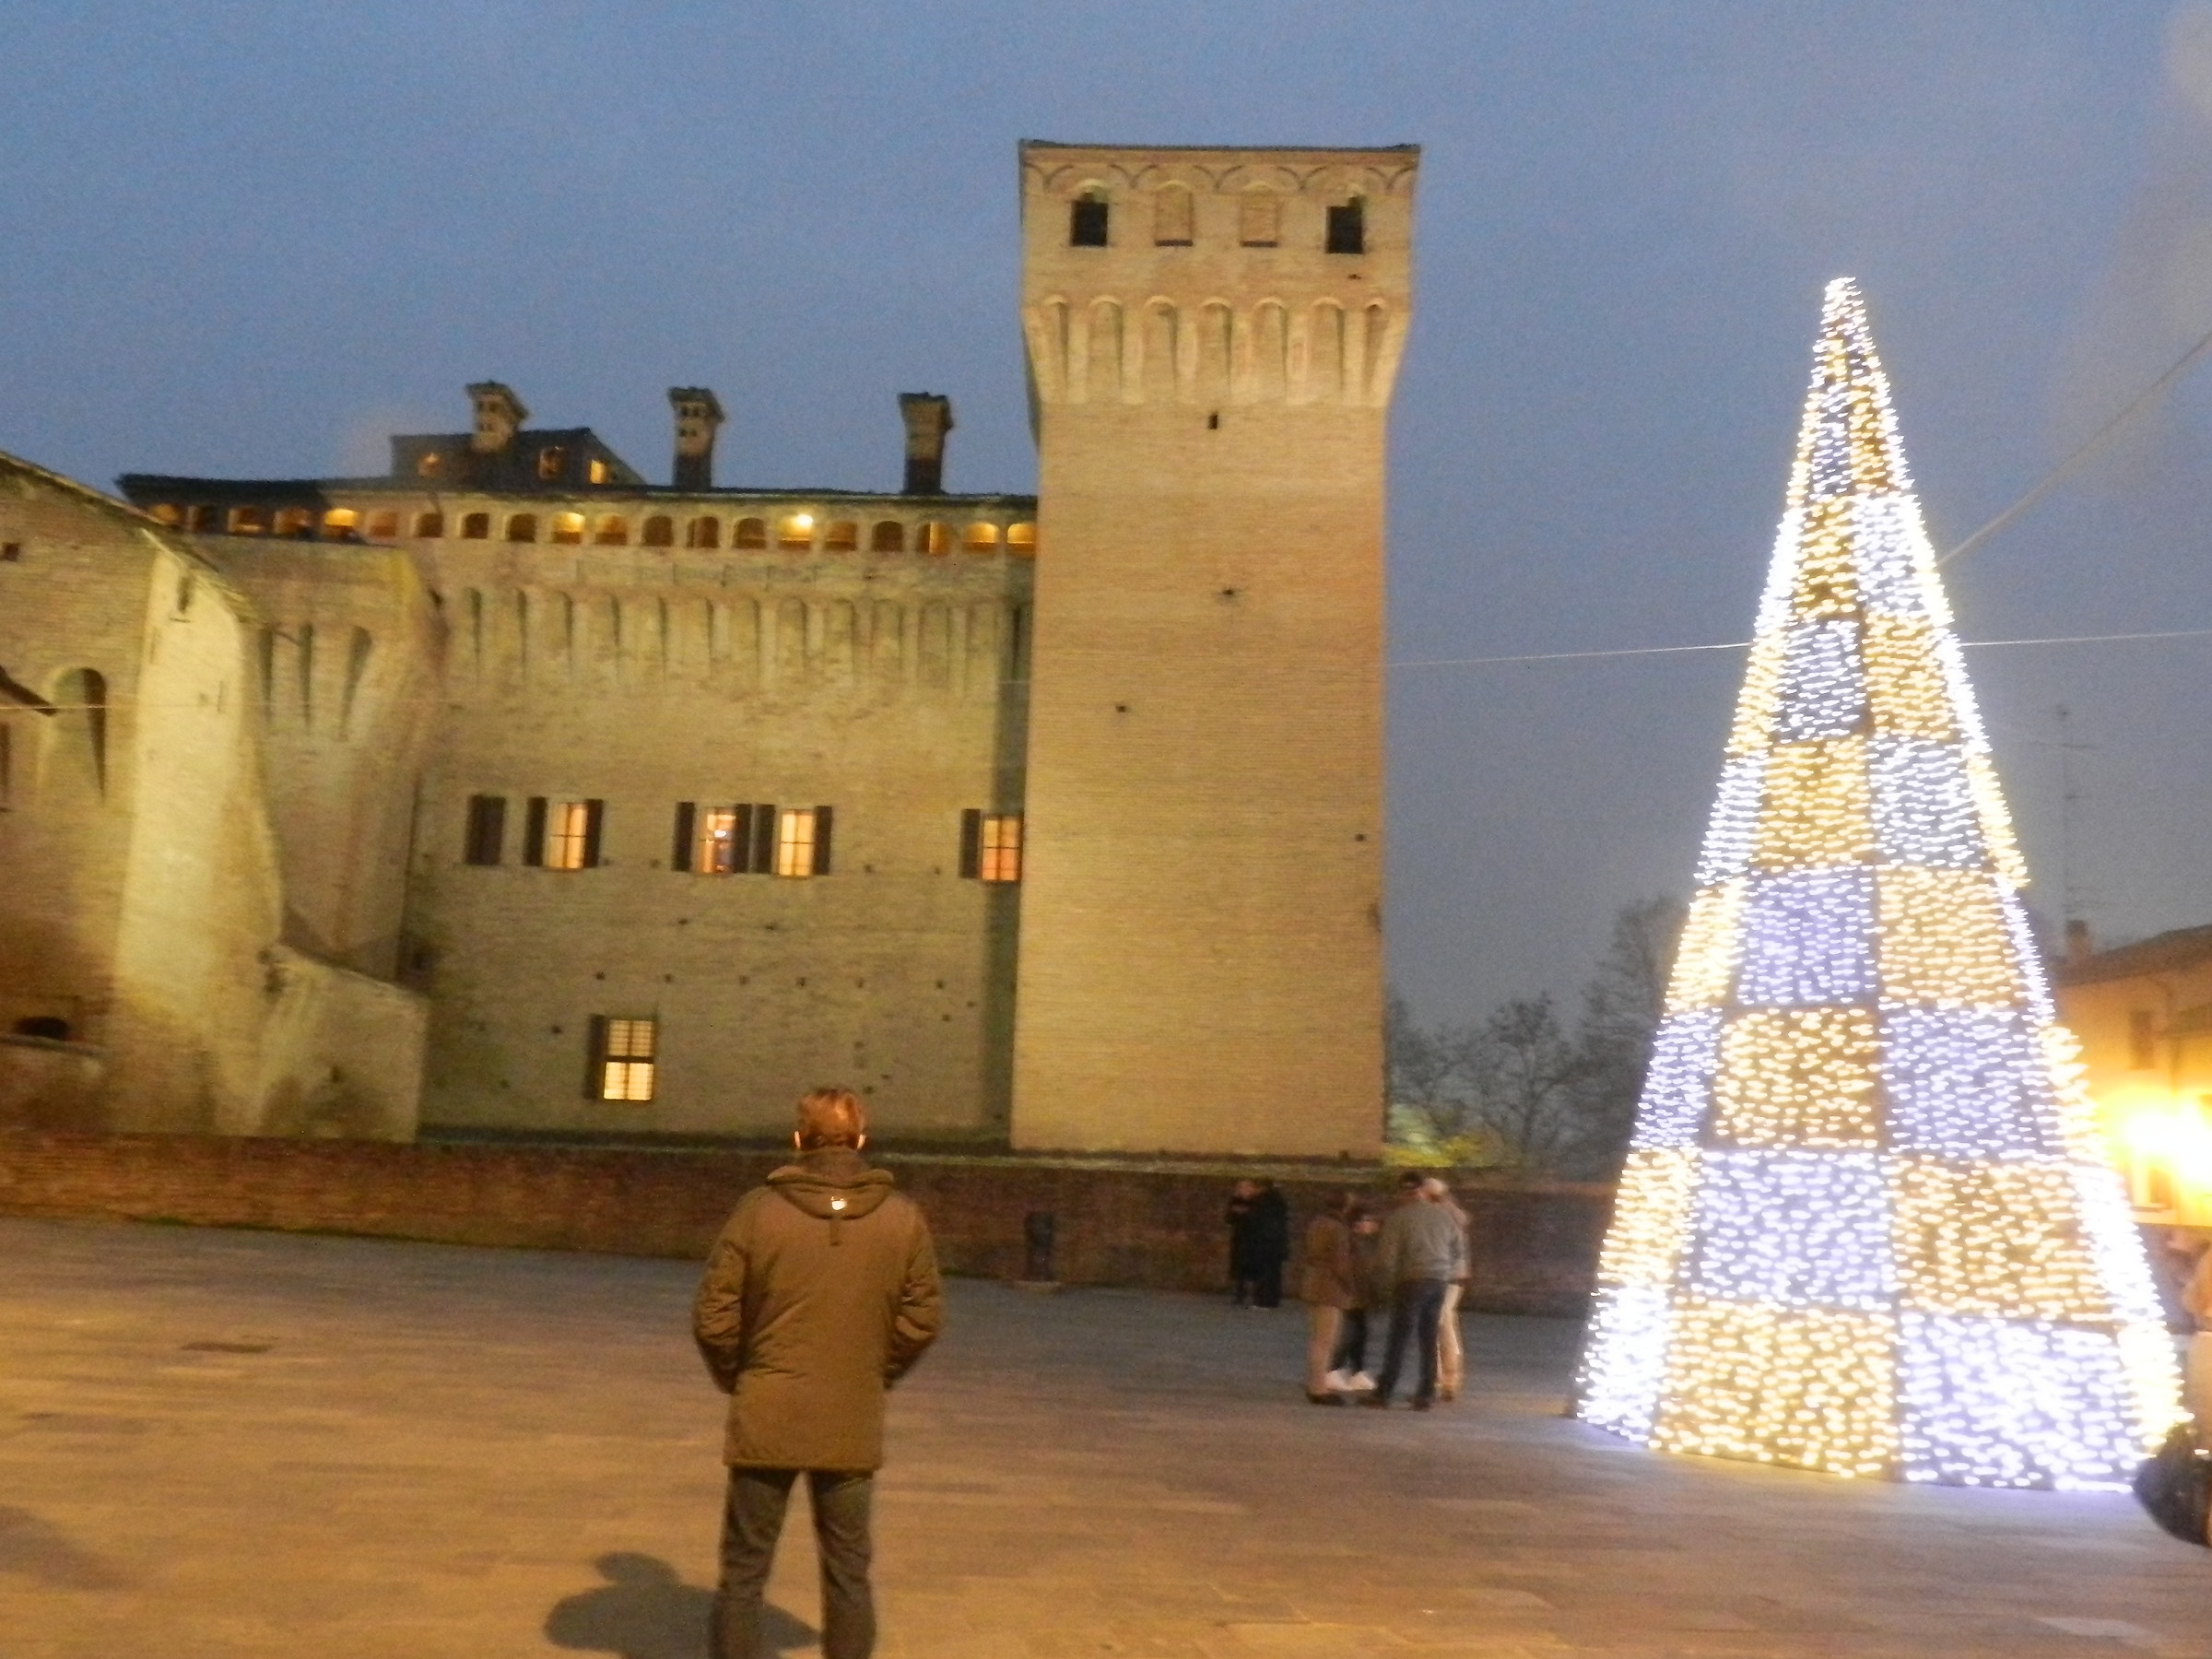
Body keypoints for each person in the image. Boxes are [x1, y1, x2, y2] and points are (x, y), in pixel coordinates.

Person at [692, 1088, 943, 1659]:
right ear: (860, 1140)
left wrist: (745, 1373)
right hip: (850, 1416)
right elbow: (923, 1316)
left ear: (799, 1140)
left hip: (768, 1411)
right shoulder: (902, 1219)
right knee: (848, 1570)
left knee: (744, 1570)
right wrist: (876, 1369)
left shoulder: (758, 1211)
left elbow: (714, 1315)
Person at [1359, 1171, 1466, 1411]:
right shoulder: (1443, 1216)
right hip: (1439, 1281)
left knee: (1399, 1338)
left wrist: (1382, 1288)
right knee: (1428, 1338)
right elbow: (1458, 1250)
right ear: (1420, 1190)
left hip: (1411, 1280)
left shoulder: (1399, 1218)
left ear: (1402, 1192)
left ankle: (1384, 1392)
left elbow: (1386, 1259)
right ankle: (1425, 1393)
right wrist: (1444, 1268)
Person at [1299, 1191, 1361, 1403]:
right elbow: (1341, 1263)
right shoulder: (1337, 1228)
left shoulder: (1317, 1223)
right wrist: (1351, 1287)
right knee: (1326, 1340)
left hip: (1313, 1281)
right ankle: (1318, 1388)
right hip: (1330, 1287)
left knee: (1317, 1339)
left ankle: (1315, 1383)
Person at [1422, 1176, 1474, 1403]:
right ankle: (1442, 1377)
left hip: (1448, 1275)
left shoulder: (1442, 1214)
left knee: (1441, 1321)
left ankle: (1445, 1377)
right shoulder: (1449, 1213)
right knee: (1442, 1322)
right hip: (1447, 1275)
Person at [1324, 1206, 1383, 1394]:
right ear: (1358, 1223)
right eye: (1369, 1221)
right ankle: (1333, 1369)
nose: (1374, 1225)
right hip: (1352, 1292)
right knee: (1350, 1333)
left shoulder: (1363, 1242)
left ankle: (1357, 1371)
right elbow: (1354, 1268)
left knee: (1360, 1332)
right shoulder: (1352, 1241)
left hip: (1359, 1293)